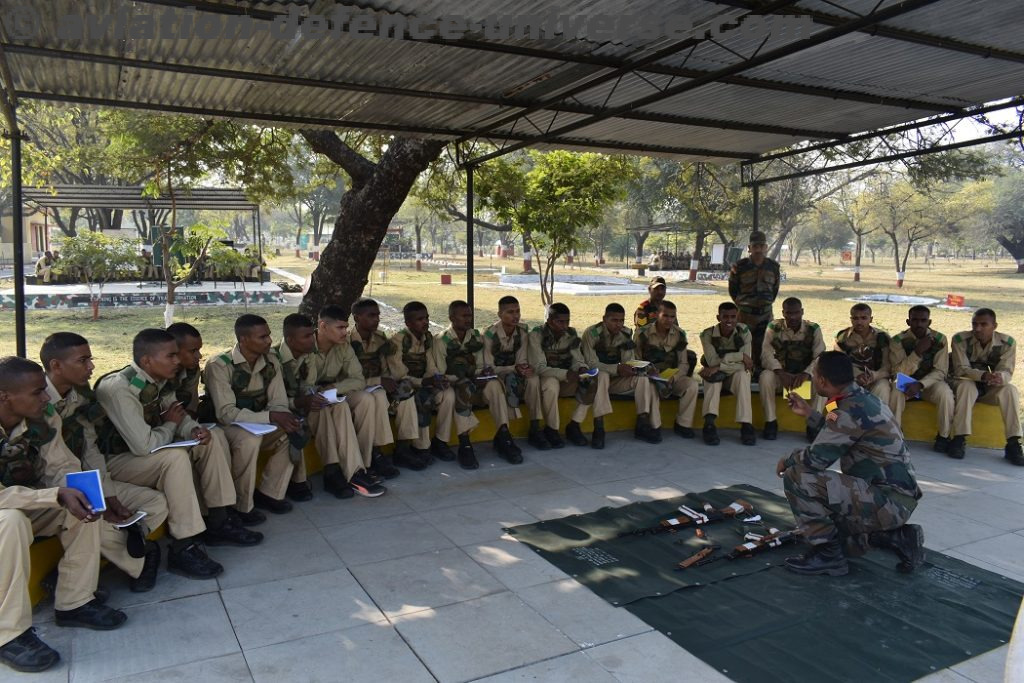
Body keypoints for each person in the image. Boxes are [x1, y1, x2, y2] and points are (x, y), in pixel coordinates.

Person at [0, 357, 127, 674]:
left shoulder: (43, 419)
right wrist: (52, 494)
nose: (46, 398)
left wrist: (71, 491)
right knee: (11, 520)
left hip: (25, 501)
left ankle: (75, 601)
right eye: (37, 392)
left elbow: (60, 466)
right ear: (5, 396)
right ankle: (9, 635)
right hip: (7, 512)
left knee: (80, 504)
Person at [96, 329, 250, 579]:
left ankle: (219, 520)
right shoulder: (119, 388)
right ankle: (183, 546)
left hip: (143, 456)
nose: (177, 361)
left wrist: (195, 430)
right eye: (171, 356)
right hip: (115, 462)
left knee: (212, 439)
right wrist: (169, 425)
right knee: (175, 459)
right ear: (147, 360)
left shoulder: (157, 381)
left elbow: (177, 413)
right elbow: (144, 445)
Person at [40, 332, 167, 593]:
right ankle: (141, 560)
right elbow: (53, 469)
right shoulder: (33, 402)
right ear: (56, 365)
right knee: (91, 520)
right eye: (83, 360)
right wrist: (96, 501)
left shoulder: (79, 397)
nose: (91, 367)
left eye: (91, 359)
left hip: (84, 481)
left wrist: (107, 496)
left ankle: (95, 559)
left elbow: (90, 449)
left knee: (155, 503)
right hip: (53, 490)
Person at [778, 351, 924, 577]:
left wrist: (787, 460)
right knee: (829, 529)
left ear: (822, 380)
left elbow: (815, 461)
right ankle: (898, 537)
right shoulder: (855, 398)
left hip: (887, 501)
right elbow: (835, 432)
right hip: (893, 497)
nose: (814, 379)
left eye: (815, 375)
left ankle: (828, 556)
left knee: (797, 477)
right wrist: (809, 413)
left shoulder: (847, 408)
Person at [204, 315, 318, 509]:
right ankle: (242, 506)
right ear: (244, 340)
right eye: (262, 337)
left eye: (269, 335)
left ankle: (270, 493)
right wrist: (271, 416)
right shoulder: (219, 366)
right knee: (249, 439)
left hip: (259, 423)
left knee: (292, 428)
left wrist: (279, 416)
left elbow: (279, 402)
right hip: (227, 428)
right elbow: (226, 413)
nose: (269, 341)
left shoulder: (271, 361)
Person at [274, 313, 359, 499]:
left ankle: (332, 471)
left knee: (321, 409)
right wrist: (299, 402)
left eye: (312, 334)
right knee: (298, 422)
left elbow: (307, 386)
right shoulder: (274, 359)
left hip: (298, 404)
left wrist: (311, 398)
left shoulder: (308, 356)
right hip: (278, 409)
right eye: (306, 336)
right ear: (290, 340)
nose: (312, 339)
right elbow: (274, 401)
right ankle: (298, 481)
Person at [432, 300, 523, 469]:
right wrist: (466, 378)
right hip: (456, 385)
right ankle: (464, 443)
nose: (468, 319)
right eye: (464, 316)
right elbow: (443, 374)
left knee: (494, 384)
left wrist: (483, 374)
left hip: (475, 383)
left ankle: (504, 435)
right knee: (463, 386)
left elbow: (481, 365)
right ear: (452, 318)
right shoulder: (441, 341)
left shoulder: (475, 336)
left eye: (470, 315)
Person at [312, 306, 387, 497]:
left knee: (366, 399)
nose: (345, 332)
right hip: (312, 401)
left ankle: (365, 462)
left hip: (332, 393)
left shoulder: (343, 346)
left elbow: (358, 379)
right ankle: (353, 471)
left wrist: (333, 389)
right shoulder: (306, 345)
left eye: (346, 327)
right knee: (340, 407)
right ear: (322, 326)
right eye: (340, 328)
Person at [527, 303, 609, 449]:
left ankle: (575, 424)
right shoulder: (536, 335)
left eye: (567, 321)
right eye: (560, 322)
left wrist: (581, 367)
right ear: (550, 321)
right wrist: (566, 374)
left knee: (595, 380)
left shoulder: (570, 334)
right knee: (551, 384)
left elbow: (576, 358)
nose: (565, 326)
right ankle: (551, 429)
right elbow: (539, 368)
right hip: (547, 378)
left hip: (568, 378)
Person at [386, 301, 456, 468]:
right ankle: (418, 447)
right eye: (419, 319)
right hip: (401, 389)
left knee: (448, 394)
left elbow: (430, 364)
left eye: (426, 318)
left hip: (423, 383)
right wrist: (424, 382)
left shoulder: (427, 338)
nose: (425, 322)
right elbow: (399, 375)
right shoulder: (398, 341)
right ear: (408, 323)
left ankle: (440, 441)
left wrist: (436, 378)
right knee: (418, 397)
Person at [949, 308, 1022, 464]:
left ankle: (1014, 443)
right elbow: (961, 368)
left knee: (1010, 390)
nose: (977, 328)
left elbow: (1006, 370)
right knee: (966, 386)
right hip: (965, 384)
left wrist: (998, 378)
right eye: (974, 324)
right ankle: (959, 438)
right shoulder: (960, 340)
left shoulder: (1006, 343)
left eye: (983, 324)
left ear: (994, 326)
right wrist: (983, 375)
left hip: (988, 388)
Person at [583, 303, 662, 444]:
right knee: (603, 375)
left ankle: (642, 424)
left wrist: (644, 368)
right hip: (595, 382)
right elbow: (591, 364)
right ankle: (599, 427)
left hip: (617, 381)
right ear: (604, 319)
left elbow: (629, 361)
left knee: (642, 379)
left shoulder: (625, 334)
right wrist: (617, 368)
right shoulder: (592, 333)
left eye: (621, 321)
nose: (618, 324)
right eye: (614, 320)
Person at [887, 306, 955, 454]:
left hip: (929, 384)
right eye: (915, 320)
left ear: (929, 322)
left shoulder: (939, 339)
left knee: (945, 393)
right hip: (906, 383)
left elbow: (940, 371)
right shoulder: (898, 341)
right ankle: (896, 435)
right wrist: (917, 352)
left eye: (923, 320)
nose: (919, 324)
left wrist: (921, 384)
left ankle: (943, 436)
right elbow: (897, 372)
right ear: (908, 321)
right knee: (895, 390)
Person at [758, 297, 826, 441]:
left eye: (796, 313)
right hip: (782, 377)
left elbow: (819, 356)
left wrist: (806, 374)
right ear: (783, 313)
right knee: (765, 376)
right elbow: (766, 354)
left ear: (802, 312)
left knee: (824, 380)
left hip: (804, 378)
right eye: (789, 313)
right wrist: (780, 372)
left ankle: (813, 425)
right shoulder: (774, 328)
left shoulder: (813, 329)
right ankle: (771, 422)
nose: (793, 317)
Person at [349, 299, 402, 479]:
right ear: (356, 318)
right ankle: (373, 454)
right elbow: (346, 379)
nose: (377, 319)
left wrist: (385, 380)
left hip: (373, 388)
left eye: (378, 315)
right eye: (371, 315)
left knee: (379, 395)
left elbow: (386, 370)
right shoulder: (347, 341)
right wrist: (378, 380)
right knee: (372, 397)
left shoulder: (380, 339)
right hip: (351, 390)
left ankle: (375, 452)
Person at [482, 296, 544, 450]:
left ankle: (535, 428)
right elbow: (488, 367)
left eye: (518, 311)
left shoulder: (522, 332)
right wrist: (513, 368)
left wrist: (523, 368)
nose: (516, 316)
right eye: (510, 312)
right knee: (498, 385)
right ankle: (504, 435)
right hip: (495, 377)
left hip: (514, 374)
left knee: (533, 379)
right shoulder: (489, 335)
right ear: (499, 314)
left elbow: (522, 359)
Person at [633, 300, 699, 439]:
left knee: (692, 385)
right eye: (665, 316)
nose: (669, 320)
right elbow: (635, 361)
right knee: (650, 387)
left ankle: (683, 424)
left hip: (671, 377)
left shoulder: (679, 334)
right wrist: (649, 373)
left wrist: (672, 377)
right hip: (650, 376)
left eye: (672, 317)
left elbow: (683, 364)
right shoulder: (642, 334)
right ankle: (654, 426)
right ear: (657, 314)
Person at [698, 302, 755, 446]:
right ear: (718, 317)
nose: (729, 320)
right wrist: (740, 356)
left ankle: (746, 425)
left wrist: (720, 366)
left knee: (743, 375)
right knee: (712, 378)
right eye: (725, 317)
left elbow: (746, 363)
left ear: (738, 317)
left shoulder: (744, 332)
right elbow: (711, 361)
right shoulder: (707, 334)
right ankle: (709, 423)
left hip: (733, 378)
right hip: (717, 376)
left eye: (733, 317)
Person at [728, 231, 780, 370]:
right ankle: (746, 375)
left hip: (766, 315)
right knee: (743, 346)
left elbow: (774, 291)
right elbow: (733, 291)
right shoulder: (739, 267)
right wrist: (745, 305)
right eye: (755, 246)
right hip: (745, 315)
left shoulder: (773, 267)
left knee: (765, 347)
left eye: (761, 246)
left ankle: (761, 375)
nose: (758, 249)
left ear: (766, 247)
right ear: (749, 248)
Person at [834, 303, 892, 403]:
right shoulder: (842, 337)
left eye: (864, 318)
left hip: (876, 379)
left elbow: (888, 365)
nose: (859, 322)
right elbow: (840, 364)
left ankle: (880, 417)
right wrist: (857, 375)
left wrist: (874, 376)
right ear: (851, 319)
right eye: (855, 318)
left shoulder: (882, 338)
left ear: (871, 319)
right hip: (851, 379)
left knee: (883, 387)